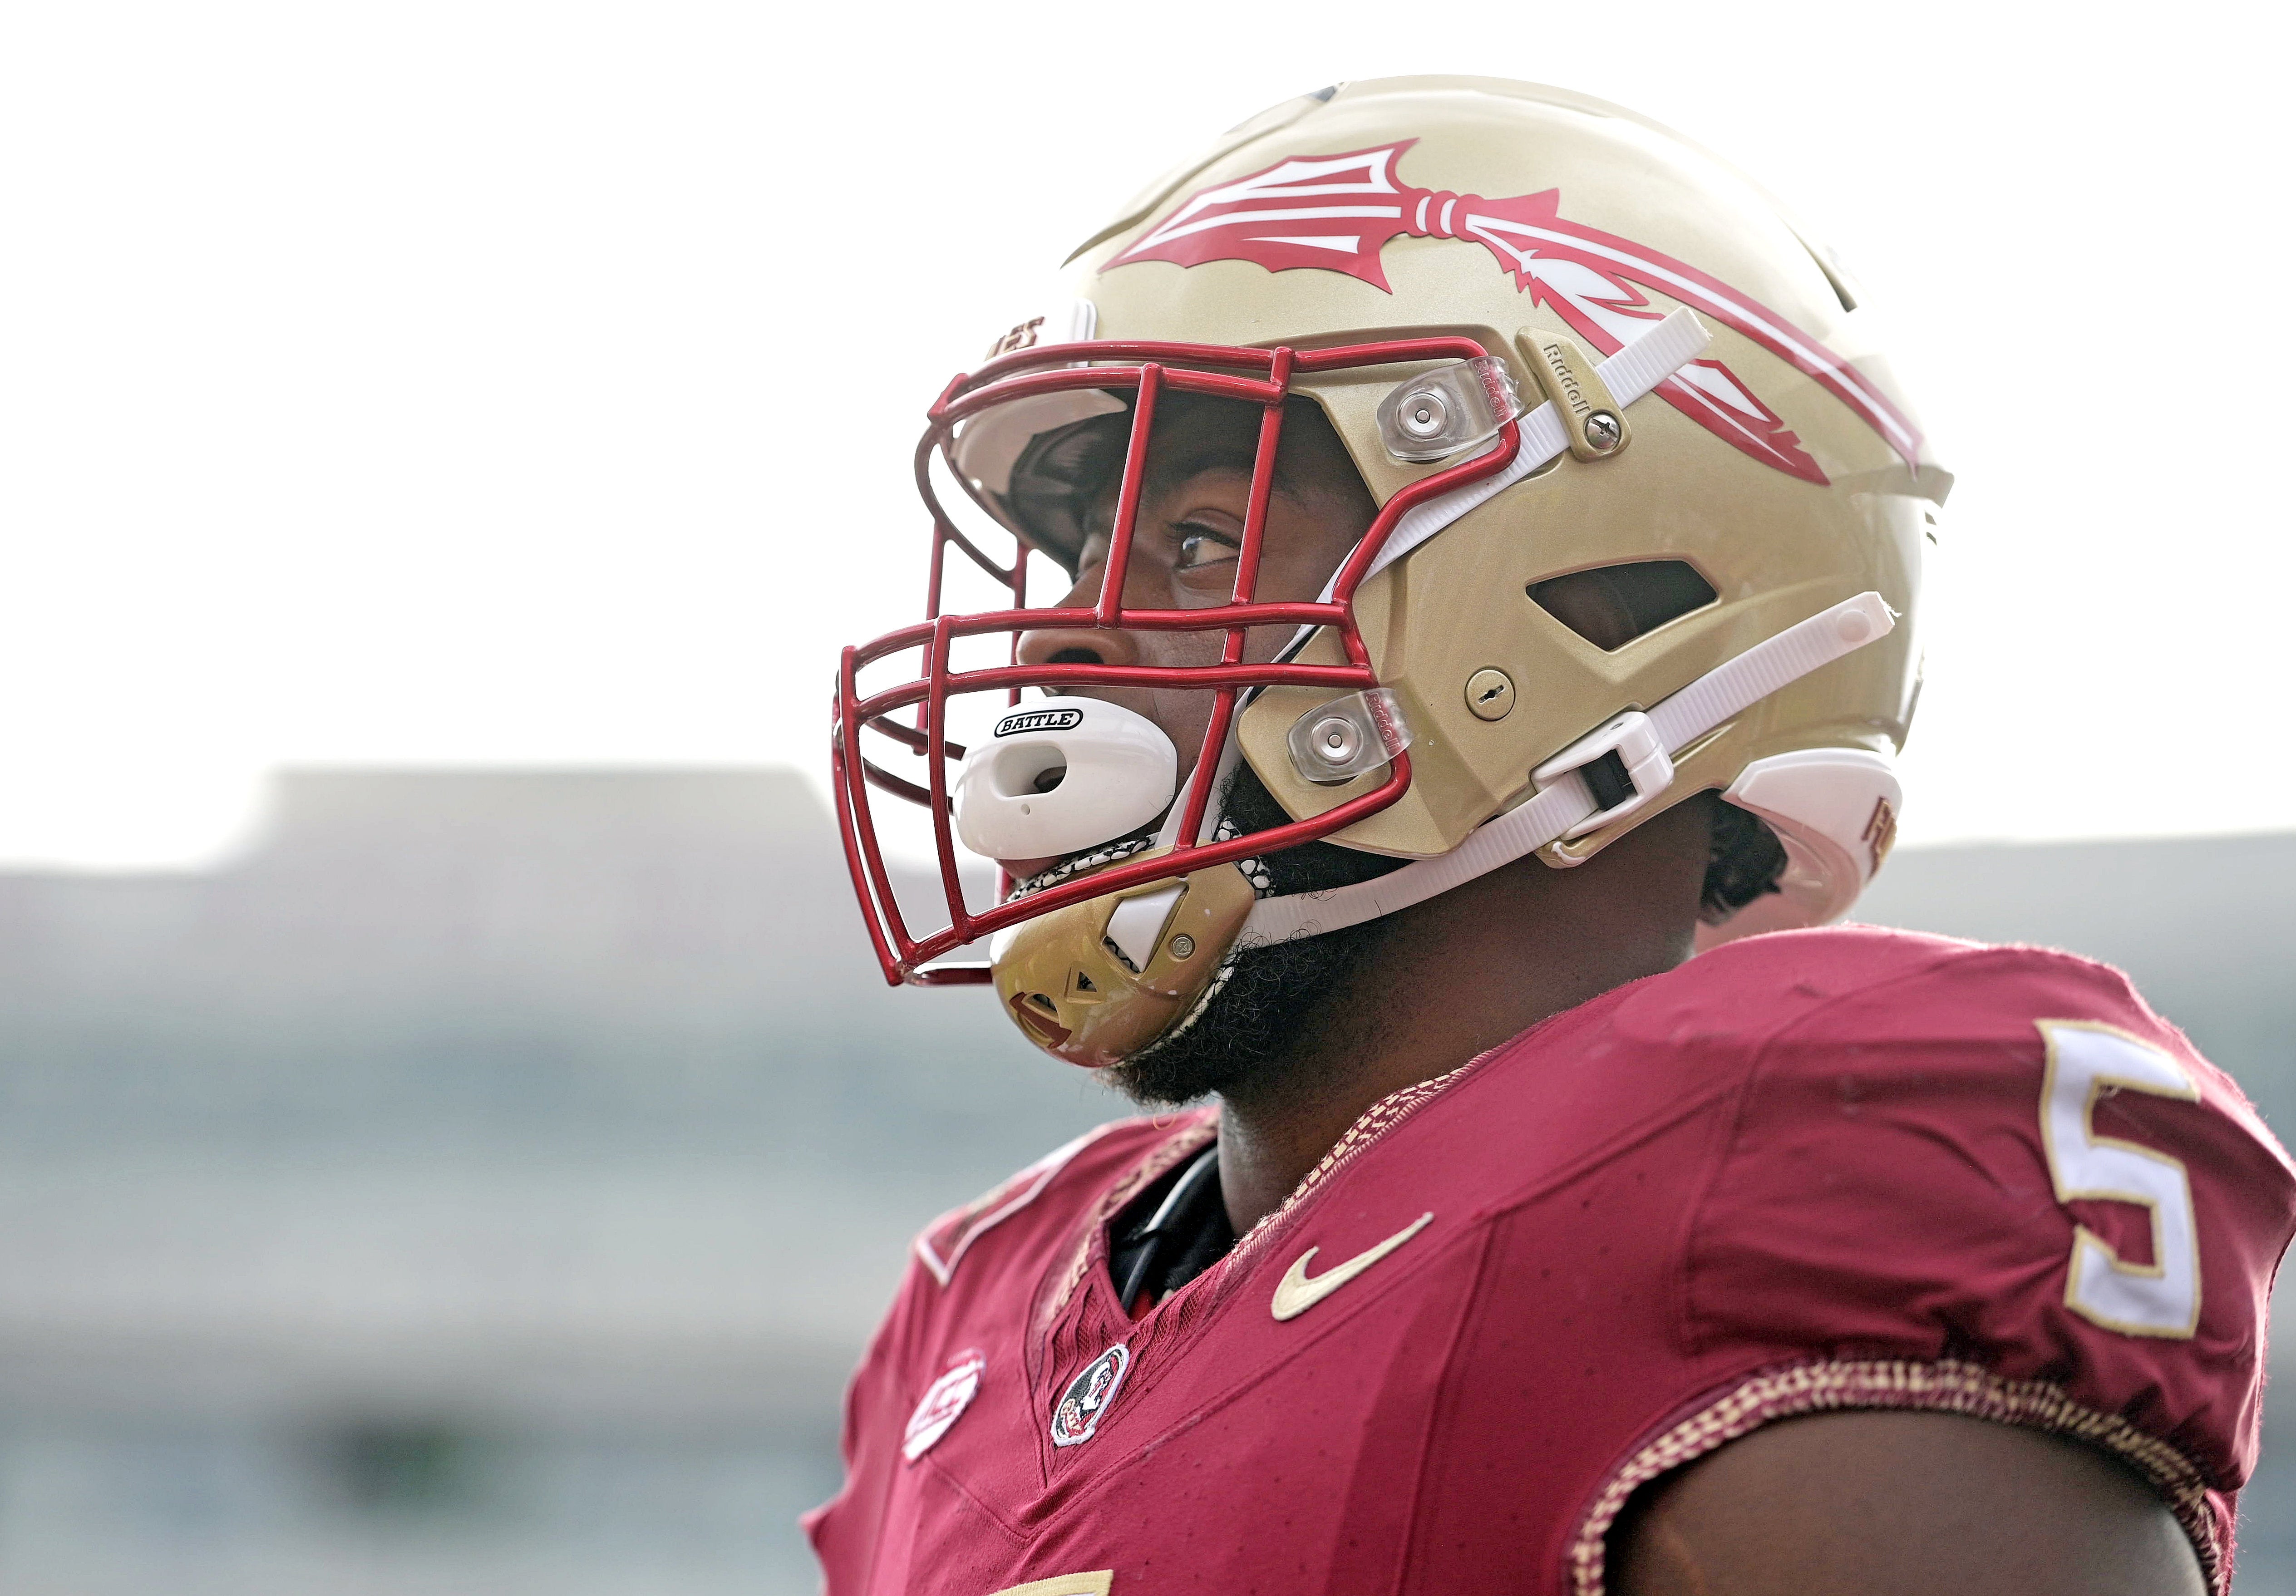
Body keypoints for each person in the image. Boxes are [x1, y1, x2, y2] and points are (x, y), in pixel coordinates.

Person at [809, 77, 2296, 1595]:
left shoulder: (1765, 1194)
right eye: (1070, 569)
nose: (1060, 652)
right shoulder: (975, 1313)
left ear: (1599, 600)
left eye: (1196, 545)